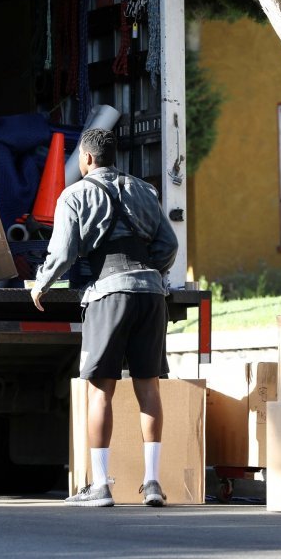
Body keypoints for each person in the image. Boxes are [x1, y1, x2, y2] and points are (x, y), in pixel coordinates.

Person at [31, 128, 178, 508]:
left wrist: (41, 285)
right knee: (149, 387)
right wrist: (149, 271)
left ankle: (100, 486)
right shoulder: (144, 190)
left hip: (108, 293)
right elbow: (168, 244)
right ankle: (153, 483)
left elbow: (63, 253)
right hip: (151, 293)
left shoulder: (74, 195)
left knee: (101, 389)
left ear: (87, 159)